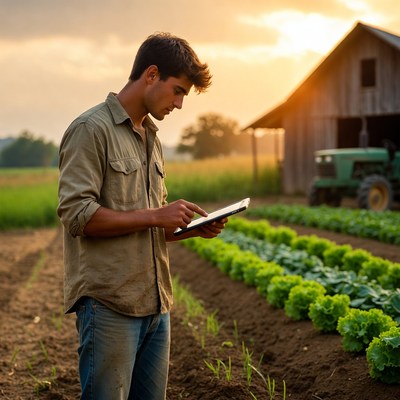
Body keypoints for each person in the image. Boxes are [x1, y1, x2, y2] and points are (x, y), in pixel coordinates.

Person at [57, 32, 227, 400]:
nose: (180, 104)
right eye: (178, 90)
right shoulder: (91, 130)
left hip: (155, 305)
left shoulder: (151, 137)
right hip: (109, 305)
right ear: (151, 75)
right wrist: (155, 215)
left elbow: (151, 227)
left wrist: (192, 230)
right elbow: (77, 216)